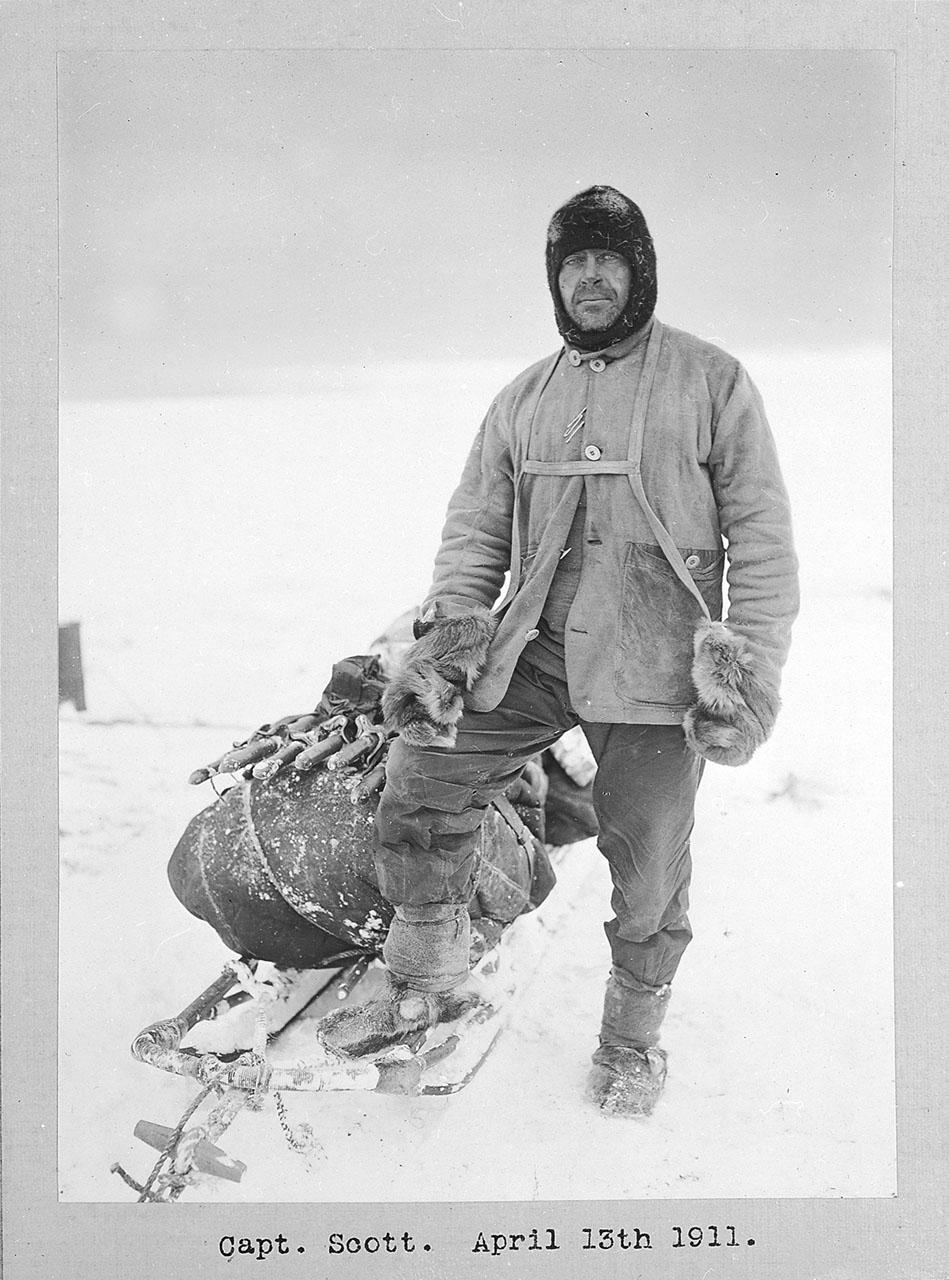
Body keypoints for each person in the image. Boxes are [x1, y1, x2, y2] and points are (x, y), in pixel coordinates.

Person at [315, 185, 800, 1116]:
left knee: (649, 860)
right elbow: (474, 531)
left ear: (638, 272)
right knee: (423, 771)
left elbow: (762, 537)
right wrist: (454, 637)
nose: (589, 277)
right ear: (554, 279)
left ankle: (630, 1040)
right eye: (572, 262)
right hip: (535, 652)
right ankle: (426, 970)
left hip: (654, 667)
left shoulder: (712, 380)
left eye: (606, 260)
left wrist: (747, 669)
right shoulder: (523, 397)